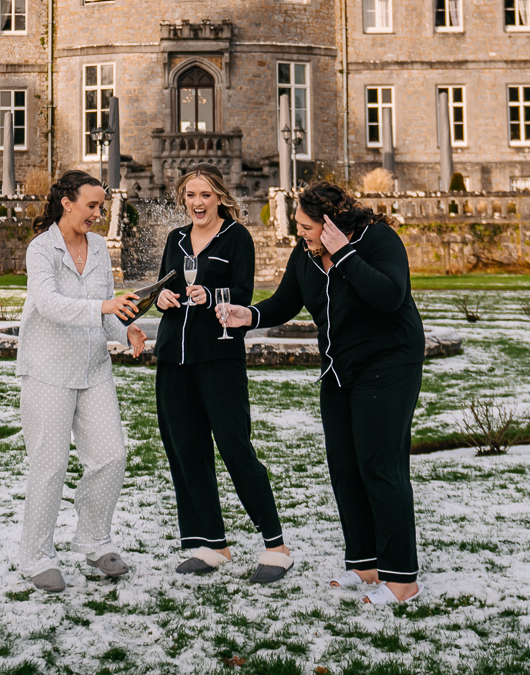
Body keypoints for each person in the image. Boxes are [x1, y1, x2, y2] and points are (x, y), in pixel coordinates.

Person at [218, 180, 425, 605]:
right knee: (346, 468)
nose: (300, 234)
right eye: (298, 226)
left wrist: (345, 253)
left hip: (389, 364)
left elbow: (390, 296)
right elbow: (284, 302)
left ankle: (402, 579)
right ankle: (366, 567)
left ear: (331, 223)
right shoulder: (306, 255)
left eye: (307, 227)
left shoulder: (377, 240)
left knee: (380, 468)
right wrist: (248, 314)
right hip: (339, 368)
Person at [151, 166, 290, 581]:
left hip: (219, 356)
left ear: (220, 198)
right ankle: (211, 544)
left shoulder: (237, 238)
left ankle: (276, 547)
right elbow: (162, 287)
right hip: (173, 359)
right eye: (191, 195)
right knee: (185, 449)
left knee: (234, 447)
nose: (197, 202)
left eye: (206, 195)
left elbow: (243, 295)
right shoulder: (175, 238)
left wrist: (210, 295)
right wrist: (160, 298)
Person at [17, 170, 148, 592]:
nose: (97, 213)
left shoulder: (97, 248)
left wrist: (125, 331)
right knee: (50, 465)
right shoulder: (41, 249)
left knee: (111, 456)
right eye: (91, 205)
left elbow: (105, 313)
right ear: (66, 202)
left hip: (93, 370)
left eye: (101, 206)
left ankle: (94, 540)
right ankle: (36, 556)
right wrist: (105, 307)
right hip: (47, 371)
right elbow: (50, 305)